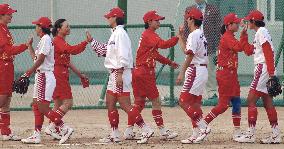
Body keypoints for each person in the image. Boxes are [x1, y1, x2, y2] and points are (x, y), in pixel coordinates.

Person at [21, 18, 92, 144]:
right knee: (56, 104)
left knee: (49, 105)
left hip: (51, 74)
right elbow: (38, 59)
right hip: (54, 73)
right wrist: (29, 48)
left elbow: (65, 59)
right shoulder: (54, 41)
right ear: (58, 29)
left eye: (36, 26)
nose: (69, 28)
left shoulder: (49, 40)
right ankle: (54, 128)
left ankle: (53, 128)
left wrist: (79, 74)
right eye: (67, 26)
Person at [124, 10, 179, 144]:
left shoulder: (148, 35)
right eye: (156, 20)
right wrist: (178, 37)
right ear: (149, 22)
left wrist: (169, 62)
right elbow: (164, 45)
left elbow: (155, 55)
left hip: (138, 72)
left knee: (139, 103)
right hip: (144, 73)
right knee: (156, 101)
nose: (159, 22)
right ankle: (163, 131)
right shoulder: (149, 34)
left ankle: (129, 130)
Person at [194, 13, 247, 143]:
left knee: (236, 102)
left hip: (231, 74)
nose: (238, 25)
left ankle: (237, 131)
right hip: (225, 75)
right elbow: (239, 47)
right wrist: (244, 34)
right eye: (236, 23)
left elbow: (241, 47)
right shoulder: (227, 37)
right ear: (229, 25)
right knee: (223, 105)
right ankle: (203, 125)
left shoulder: (230, 36)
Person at [235, 10, 282, 144]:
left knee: (250, 100)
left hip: (263, 69)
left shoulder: (261, 32)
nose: (247, 22)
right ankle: (275, 134)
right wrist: (243, 35)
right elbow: (249, 51)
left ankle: (250, 134)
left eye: (249, 21)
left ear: (254, 21)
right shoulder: (259, 33)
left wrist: (271, 73)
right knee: (268, 103)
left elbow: (268, 52)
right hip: (266, 68)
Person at [90, 7, 134, 143]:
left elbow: (123, 54)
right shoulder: (115, 33)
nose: (107, 19)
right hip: (114, 73)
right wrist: (92, 41)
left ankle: (145, 128)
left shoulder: (120, 33)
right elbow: (108, 52)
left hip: (119, 72)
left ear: (115, 18)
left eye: (109, 17)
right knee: (110, 102)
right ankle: (114, 133)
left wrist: (120, 72)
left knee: (124, 104)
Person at [176, 7, 209, 144]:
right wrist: (180, 37)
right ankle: (196, 133)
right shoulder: (199, 33)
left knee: (183, 101)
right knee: (194, 104)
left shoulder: (194, 34)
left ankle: (203, 127)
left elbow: (189, 55)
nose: (186, 19)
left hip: (195, 70)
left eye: (187, 17)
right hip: (201, 69)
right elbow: (187, 50)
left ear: (191, 19)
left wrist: (182, 72)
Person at [0, 3, 30, 141]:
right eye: (9, 13)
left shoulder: (5, 28)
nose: (11, 15)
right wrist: (26, 45)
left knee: (7, 100)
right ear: (1, 15)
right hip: (3, 66)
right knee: (3, 98)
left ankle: (5, 131)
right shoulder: (0, 30)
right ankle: (5, 131)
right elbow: (9, 50)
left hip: (8, 65)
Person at [184, 0, 221, 99]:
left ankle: (211, 93)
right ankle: (191, 93)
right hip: (194, 45)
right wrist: (186, 43)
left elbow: (218, 29)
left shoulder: (213, 9)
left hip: (208, 45)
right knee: (192, 68)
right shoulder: (189, 9)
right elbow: (186, 28)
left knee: (210, 70)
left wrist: (218, 47)